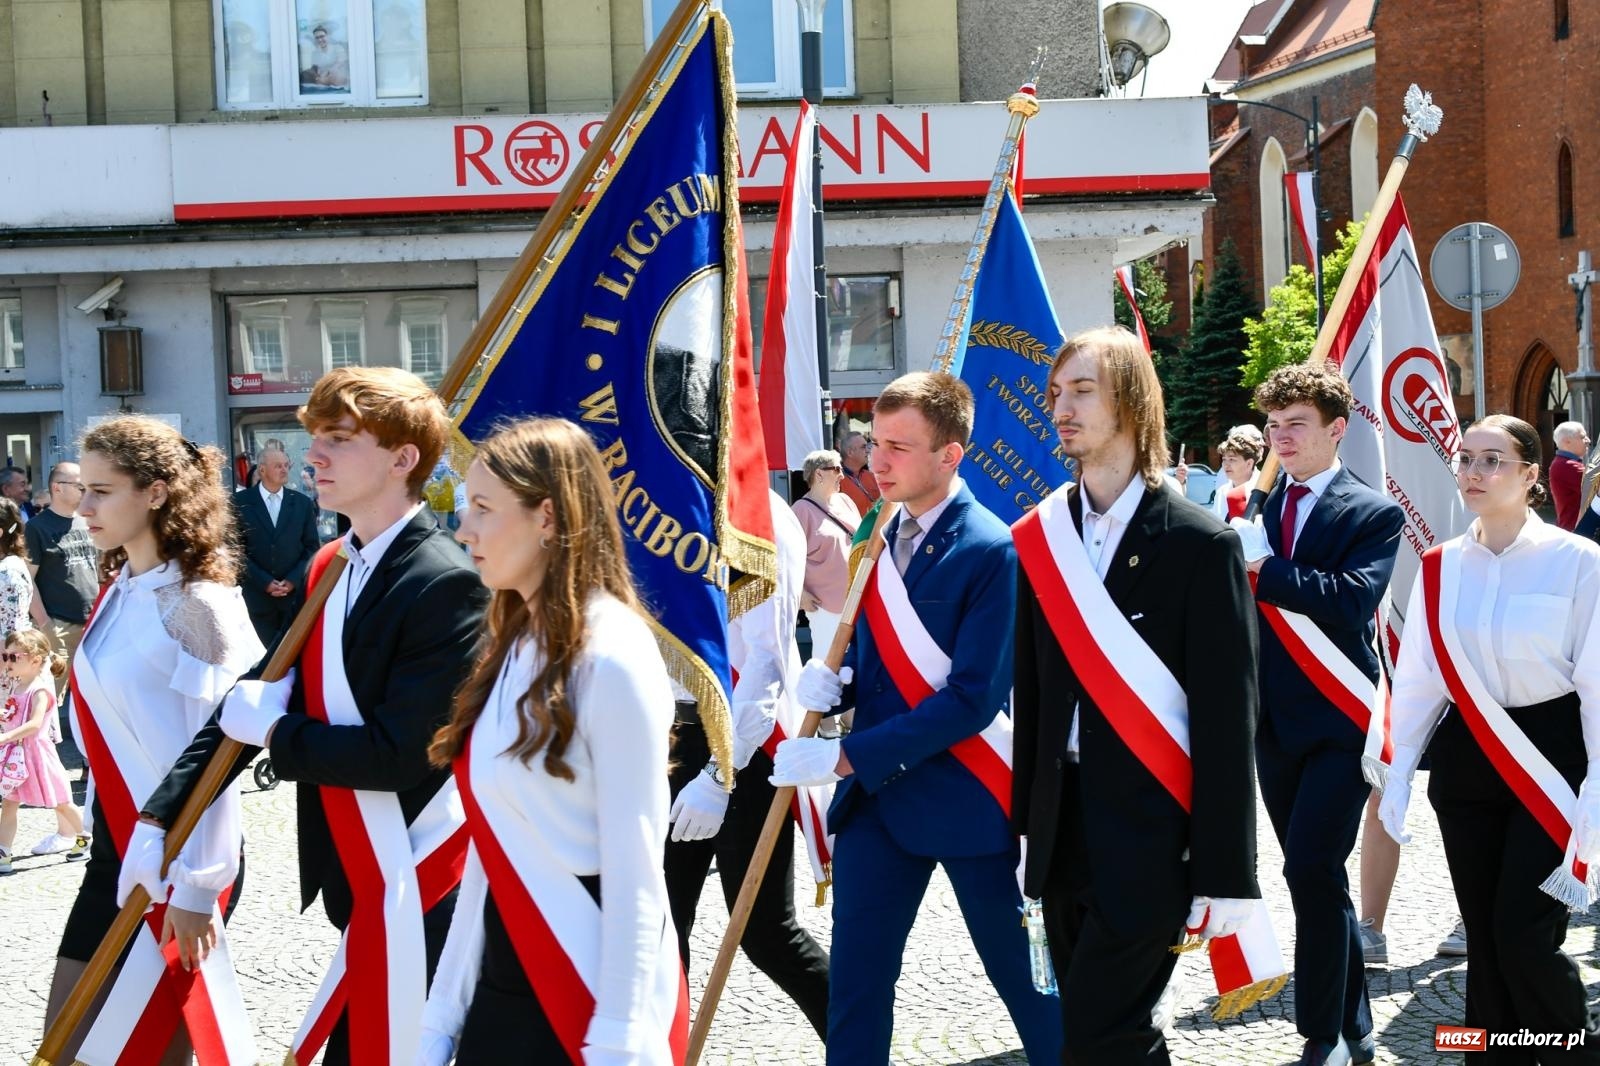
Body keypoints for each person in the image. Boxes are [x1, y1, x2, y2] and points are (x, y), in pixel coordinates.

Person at [129, 367, 489, 1065]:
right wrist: (162, 813)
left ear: (402, 458)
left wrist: (276, 734)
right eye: (314, 439)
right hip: (356, 873)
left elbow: (397, 754)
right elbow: (251, 696)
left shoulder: (444, 581)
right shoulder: (331, 565)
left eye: (338, 439)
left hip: (420, 876)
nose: (312, 456)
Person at [769, 372, 1061, 1065]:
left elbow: (970, 698)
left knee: (1026, 985)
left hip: (972, 796)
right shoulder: (874, 534)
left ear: (949, 456)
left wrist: (842, 757)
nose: (878, 461)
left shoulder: (992, 549)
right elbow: (872, 666)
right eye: (875, 443)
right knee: (858, 990)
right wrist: (832, 685)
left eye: (900, 447)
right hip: (878, 807)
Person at [1010, 326, 1261, 1064]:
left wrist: (1225, 869)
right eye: (1057, 393)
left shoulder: (1199, 543)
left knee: (1099, 1030)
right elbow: (1035, 695)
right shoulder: (1043, 537)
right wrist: (1026, 827)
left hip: (1151, 830)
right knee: (1107, 1034)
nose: (1062, 407)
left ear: (1132, 400)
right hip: (1062, 827)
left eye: (1083, 390)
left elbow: (1226, 720)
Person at [419, 417, 686, 1065]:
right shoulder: (512, 643)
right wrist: (441, 1016)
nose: (463, 529)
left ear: (547, 517)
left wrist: (618, 1038)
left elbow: (637, 866)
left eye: (482, 508)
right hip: (506, 987)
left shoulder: (614, 654)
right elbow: (493, 853)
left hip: (586, 987)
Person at [1380, 414, 1600, 1062]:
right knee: (1485, 935)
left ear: (1532, 476)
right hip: (1469, 759)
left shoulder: (1579, 562)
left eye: (1492, 461)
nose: (1474, 473)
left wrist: (1596, 786)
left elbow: (1596, 679)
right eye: (1466, 459)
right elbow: (1419, 677)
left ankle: (1574, 1054)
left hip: (1554, 757)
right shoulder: (1440, 565)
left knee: (1524, 933)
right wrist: (1395, 774)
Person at [45, 415, 263, 1065]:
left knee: (148, 1054)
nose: (82, 507)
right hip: (113, 853)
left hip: (179, 857)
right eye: (82, 489)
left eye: (101, 492)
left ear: (157, 493)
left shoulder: (199, 603)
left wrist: (199, 888)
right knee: (68, 1046)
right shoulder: (118, 589)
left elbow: (223, 752)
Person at [1234, 363, 1404, 1066]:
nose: (1282, 438)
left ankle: (1323, 1036)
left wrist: (1263, 567)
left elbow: (1348, 601)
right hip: (1273, 721)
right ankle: (1355, 1020)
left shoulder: (1373, 511)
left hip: (1340, 720)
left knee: (1309, 867)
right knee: (1315, 875)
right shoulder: (1260, 510)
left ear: (1337, 430)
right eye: (1274, 428)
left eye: (1296, 425)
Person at [664, 488, 831, 1039]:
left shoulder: (759, 513)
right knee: (661, 929)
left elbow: (766, 663)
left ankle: (857, 1044)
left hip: (739, 746)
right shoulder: (659, 489)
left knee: (765, 934)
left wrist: (719, 773)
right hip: (666, 735)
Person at [0, 629, 83, 874]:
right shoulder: (16, 686)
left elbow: (35, 724)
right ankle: (4, 851)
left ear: (35, 660)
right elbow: (15, 717)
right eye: (6, 656)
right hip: (16, 758)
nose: (7, 661)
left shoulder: (40, 691)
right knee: (9, 803)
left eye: (15, 657)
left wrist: (5, 736)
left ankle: (86, 836)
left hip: (36, 756)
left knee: (60, 803)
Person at [232, 444, 320, 647]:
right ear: (262, 470)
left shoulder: (301, 503)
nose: (284, 470)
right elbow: (234, 550)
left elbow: (311, 548)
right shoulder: (239, 502)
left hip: (293, 599)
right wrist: (265, 582)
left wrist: (292, 580)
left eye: (286, 465)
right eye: (278, 466)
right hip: (256, 600)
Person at [25, 461, 98, 698]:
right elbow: (28, 580)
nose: (84, 491)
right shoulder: (36, 527)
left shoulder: (87, 521)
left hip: (92, 622)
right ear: (57, 488)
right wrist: (46, 625)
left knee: (90, 697)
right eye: (79, 486)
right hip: (59, 625)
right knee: (49, 699)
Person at [793, 448, 860, 651]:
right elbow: (785, 560)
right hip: (825, 605)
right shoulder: (800, 511)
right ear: (819, 473)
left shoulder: (845, 500)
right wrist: (801, 594)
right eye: (837, 469)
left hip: (856, 598)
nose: (842, 474)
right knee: (827, 665)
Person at [1212, 426, 1265, 521]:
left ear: (1249, 463)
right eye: (1224, 459)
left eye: (1232, 459)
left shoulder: (1264, 488)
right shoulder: (1222, 492)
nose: (1226, 465)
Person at [1550, 421, 1591, 531]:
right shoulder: (1568, 466)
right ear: (1567, 441)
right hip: (1578, 532)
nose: (1588, 441)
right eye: (1582, 437)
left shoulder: (1562, 463)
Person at [837, 431, 880, 514]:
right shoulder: (837, 481)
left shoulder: (872, 476)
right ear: (850, 452)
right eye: (863, 447)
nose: (868, 451)